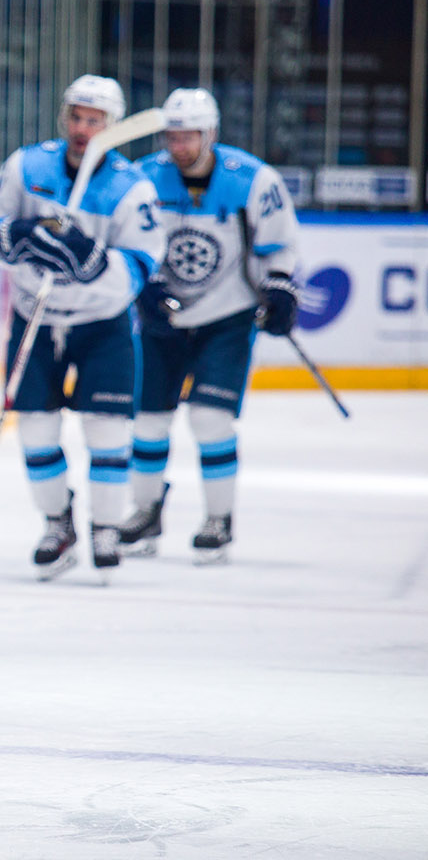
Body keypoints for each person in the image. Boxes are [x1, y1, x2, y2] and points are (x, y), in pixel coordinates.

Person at [0, 75, 165, 581]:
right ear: (64, 117)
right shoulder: (28, 164)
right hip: (36, 314)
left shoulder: (131, 187)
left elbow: (143, 263)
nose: (83, 128)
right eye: (76, 116)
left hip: (103, 324)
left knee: (106, 430)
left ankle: (105, 525)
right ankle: (58, 524)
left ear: (112, 126)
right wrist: (17, 236)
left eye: (94, 120)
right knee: (35, 428)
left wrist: (94, 263)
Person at [124, 88, 300, 563]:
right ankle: (144, 512)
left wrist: (280, 286)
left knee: (210, 418)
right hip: (162, 320)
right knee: (148, 420)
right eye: (172, 135)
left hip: (226, 316)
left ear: (212, 134)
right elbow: (128, 241)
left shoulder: (253, 179)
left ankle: (218, 518)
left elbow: (278, 242)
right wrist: (145, 284)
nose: (178, 145)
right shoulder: (144, 177)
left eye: (189, 136)